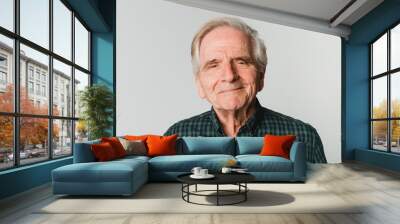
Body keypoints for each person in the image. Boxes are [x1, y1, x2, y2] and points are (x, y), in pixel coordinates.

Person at [164, 17, 326, 163]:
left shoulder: (304, 136)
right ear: (199, 84)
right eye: (214, 65)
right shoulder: (176, 136)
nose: (229, 76)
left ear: (261, 76)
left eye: (241, 62)